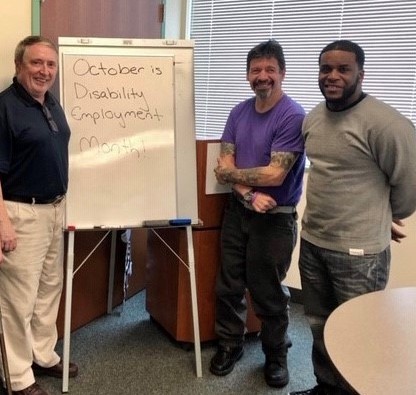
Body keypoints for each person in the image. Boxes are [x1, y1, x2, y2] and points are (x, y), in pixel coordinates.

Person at [290, 40, 416, 395]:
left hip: (359, 254)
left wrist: (381, 216)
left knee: (360, 335)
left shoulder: (387, 124)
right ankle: (326, 387)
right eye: (325, 68)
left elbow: (408, 186)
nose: (332, 76)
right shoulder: (314, 117)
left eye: (343, 69)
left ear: (361, 73)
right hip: (314, 241)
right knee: (319, 324)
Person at [211, 39, 306, 388]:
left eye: (269, 70)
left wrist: (234, 177)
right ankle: (230, 344)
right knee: (229, 284)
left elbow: (275, 174)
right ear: (248, 75)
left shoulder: (293, 116)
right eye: (256, 70)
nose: (262, 76)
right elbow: (224, 164)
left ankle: (276, 354)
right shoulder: (238, 112)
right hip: (239, 210)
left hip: (276, 218)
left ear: (282, 73)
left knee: (266, 291)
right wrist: (248, 192)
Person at [0, 36, 78, 395]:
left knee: (49, 289)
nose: (44, 71)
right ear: (20, 66)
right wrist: (2, 223)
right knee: (17, 299)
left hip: (53, 210)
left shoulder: (50, 103)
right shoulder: (5, 108)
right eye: (36, 63)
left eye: (50, 64)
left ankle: (42, 354)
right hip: (20, 214)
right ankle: (16, 377)